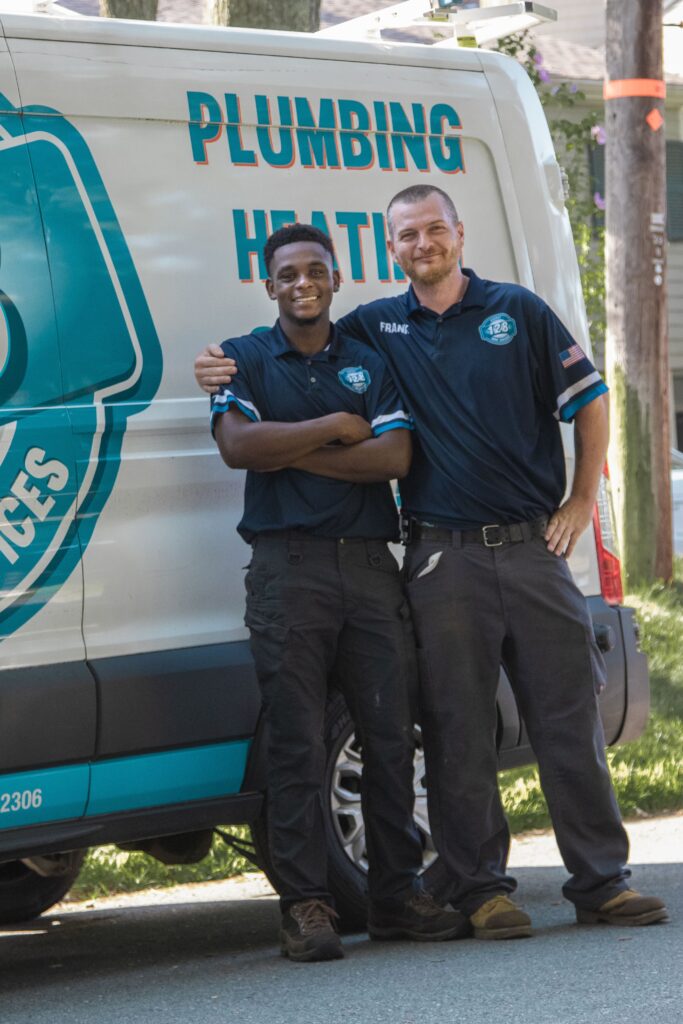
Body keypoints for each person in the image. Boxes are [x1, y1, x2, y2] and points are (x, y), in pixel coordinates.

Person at [197, 186, 668, 939]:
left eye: (433, 229)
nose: (422, 244)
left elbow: (589, 399)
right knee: (454, 731)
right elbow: (280, 371)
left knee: (566, 721)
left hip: (530, 547)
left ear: (457, 232)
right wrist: (223, 371)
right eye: (406, 235)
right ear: (389, 251)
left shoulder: (517, 311)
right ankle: (482, 889)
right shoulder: (373, 327)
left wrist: (582, 497)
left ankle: (599, 881)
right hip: (438, 557)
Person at [209, 223, 466, 962]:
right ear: (269, 285)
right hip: (286, 572)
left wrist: (289, 449)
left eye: (314, 270)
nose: (302, 283)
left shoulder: (368, 360)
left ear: (335, 277)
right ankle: (306, 906)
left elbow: (392, 456)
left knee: (388, 738)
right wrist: (332, 428)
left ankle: (396, 896)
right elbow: (237, 448)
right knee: (294, 741)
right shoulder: (243, 358)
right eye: (287, 273)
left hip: (366, 567)